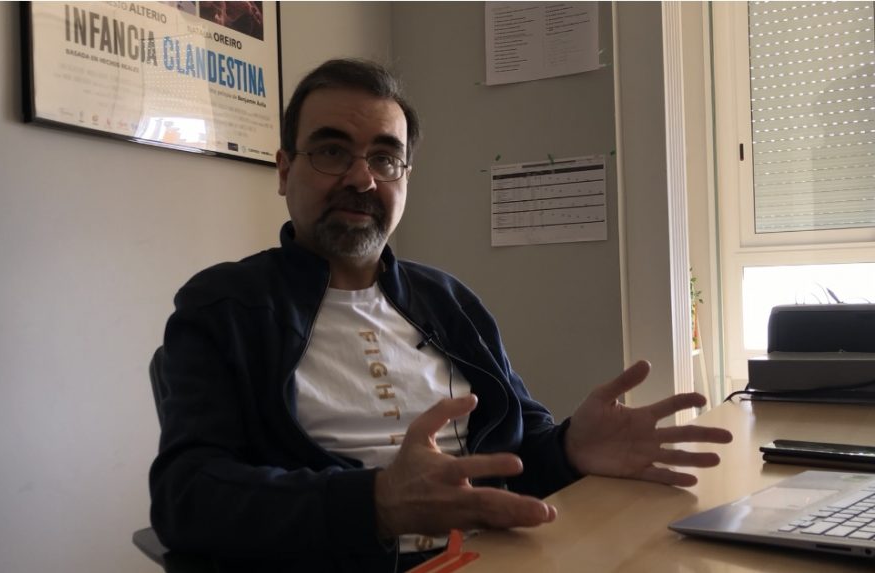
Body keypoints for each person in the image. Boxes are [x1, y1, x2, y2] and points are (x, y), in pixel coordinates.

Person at [148, 58, 733, 572]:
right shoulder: (225, 307)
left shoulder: (447, 301)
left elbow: (519, 450)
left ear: (405, 178)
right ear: (283, 171)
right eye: (331, 152)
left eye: (385, 158)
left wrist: (571, 448)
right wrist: (377, 502)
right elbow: (185, 497)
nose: (362, 178)